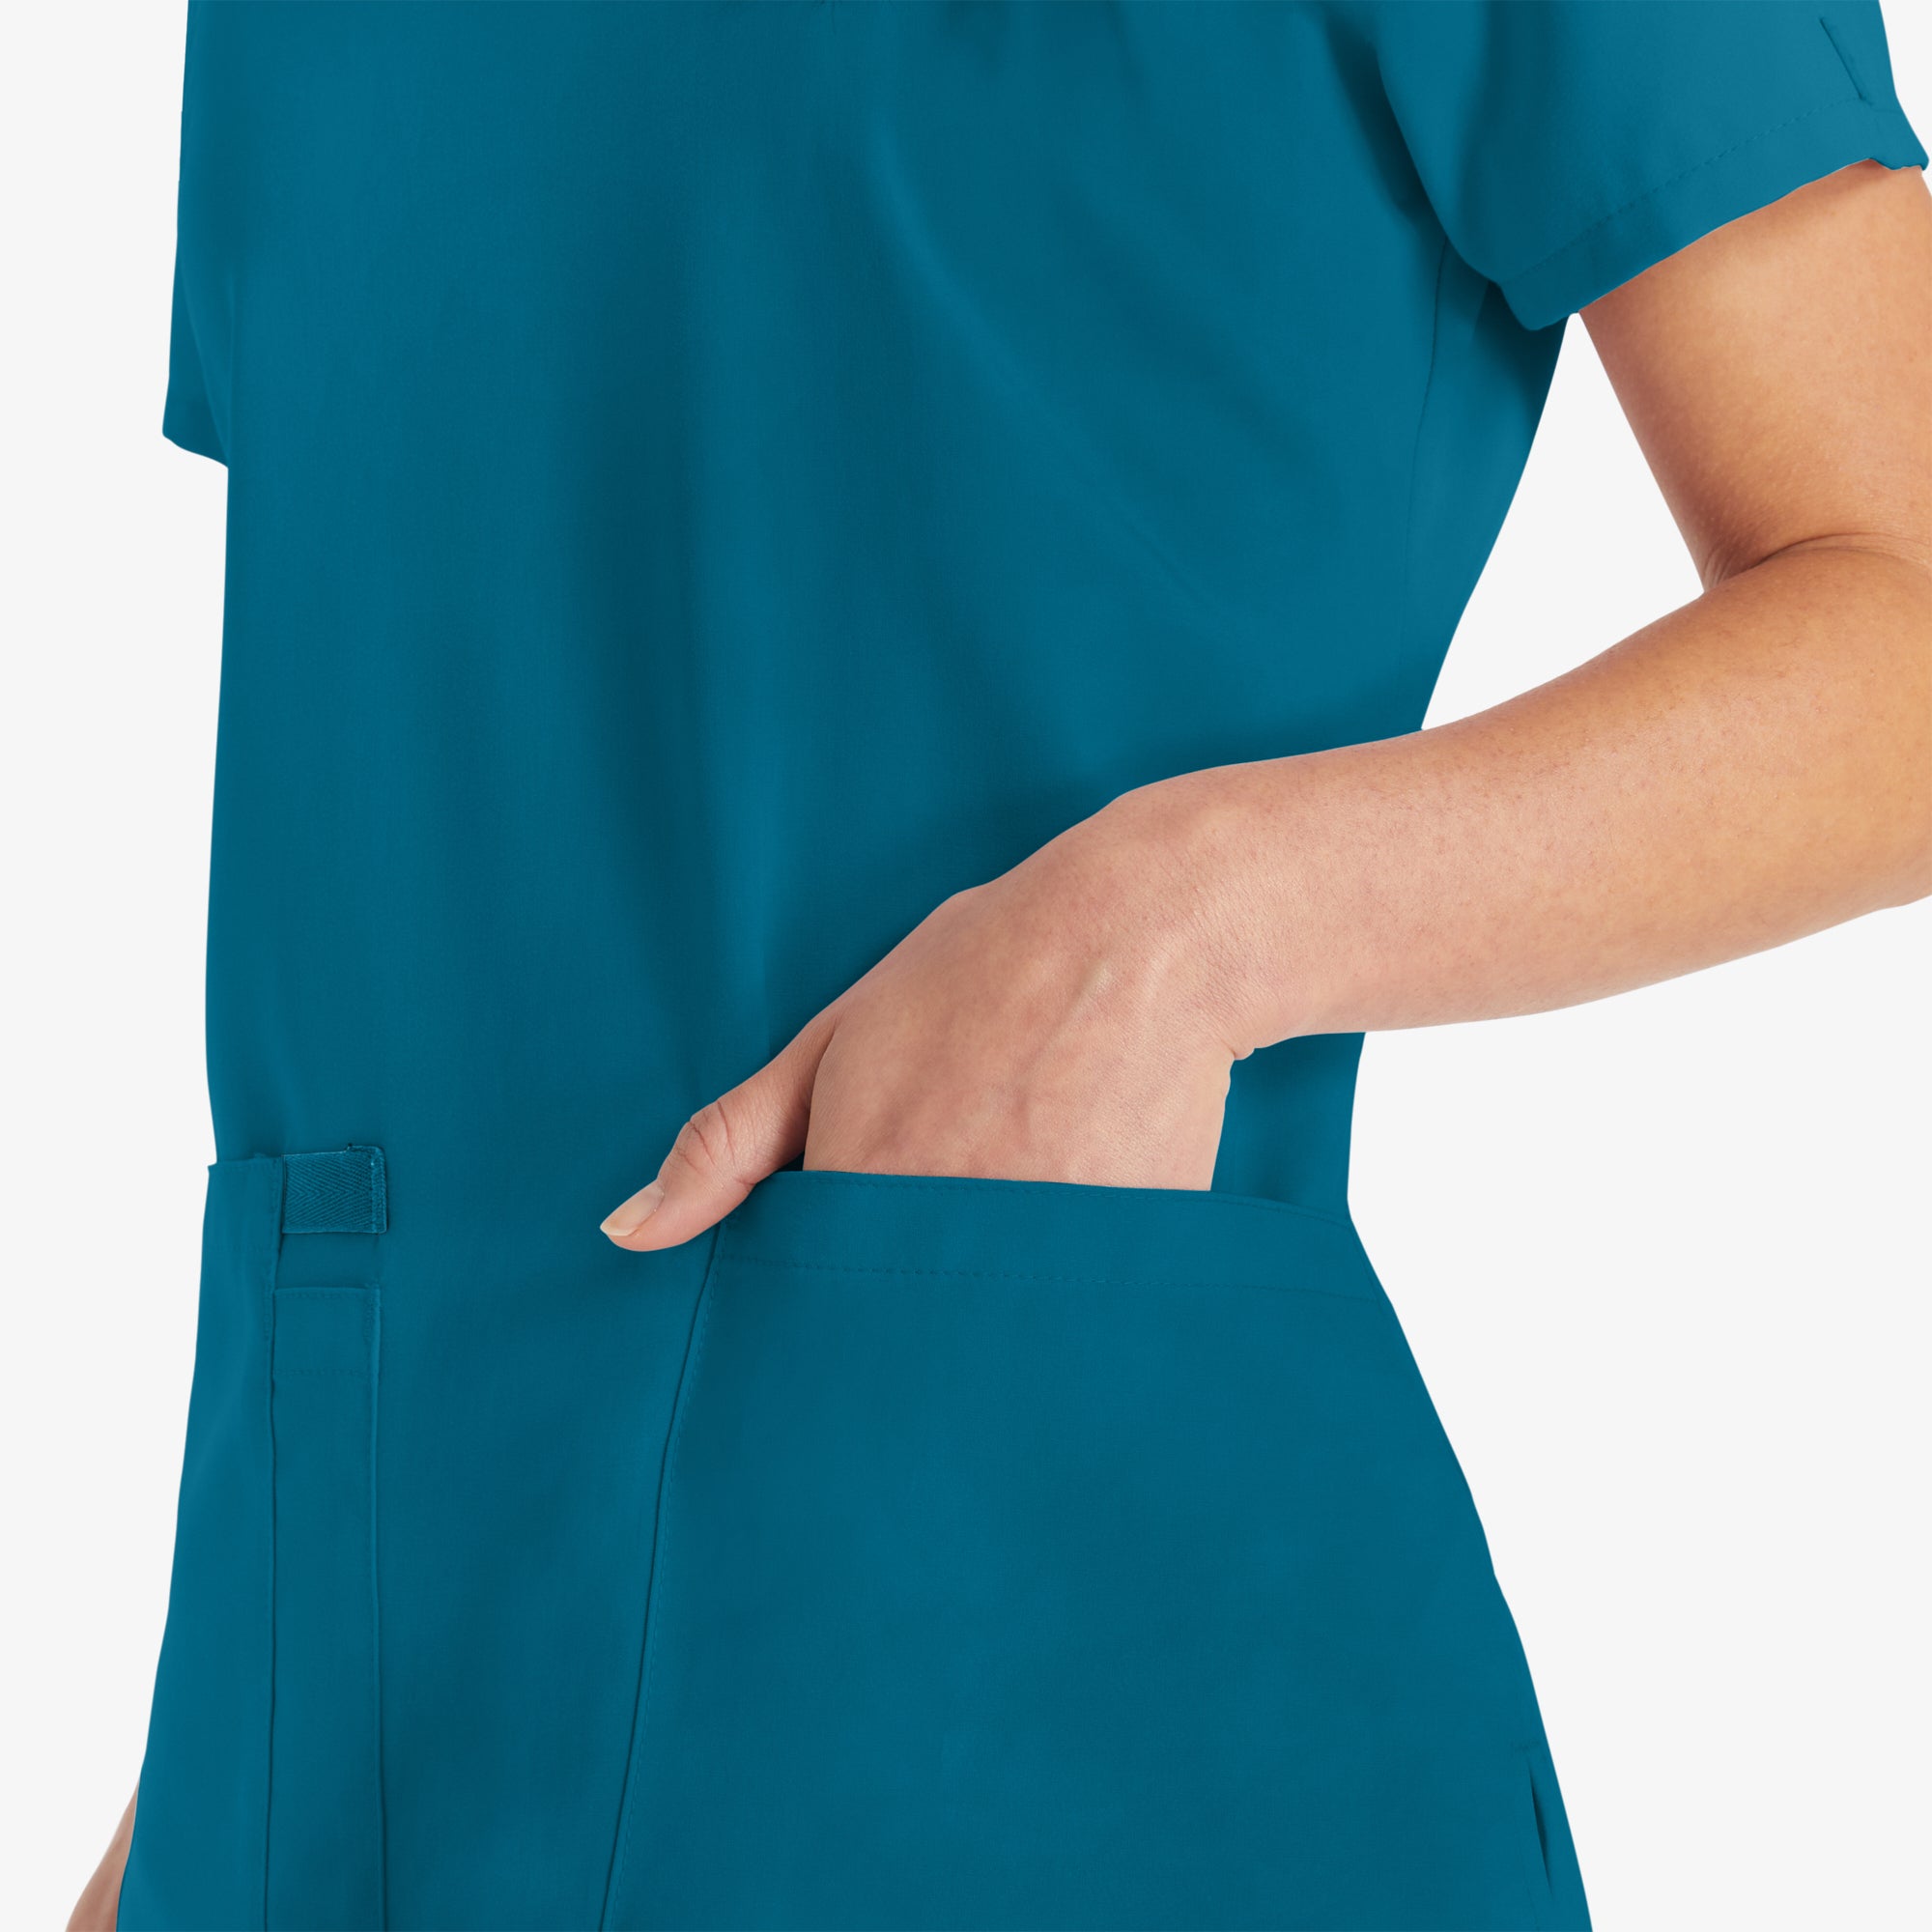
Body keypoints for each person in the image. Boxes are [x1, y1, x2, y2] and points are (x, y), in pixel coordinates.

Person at [71, 4, 1928, 1929]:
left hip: (1038, 1650)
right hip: (338, 1742)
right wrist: (205, 1787)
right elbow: (423, 894)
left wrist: (1186, 925)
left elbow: (1904, 618)